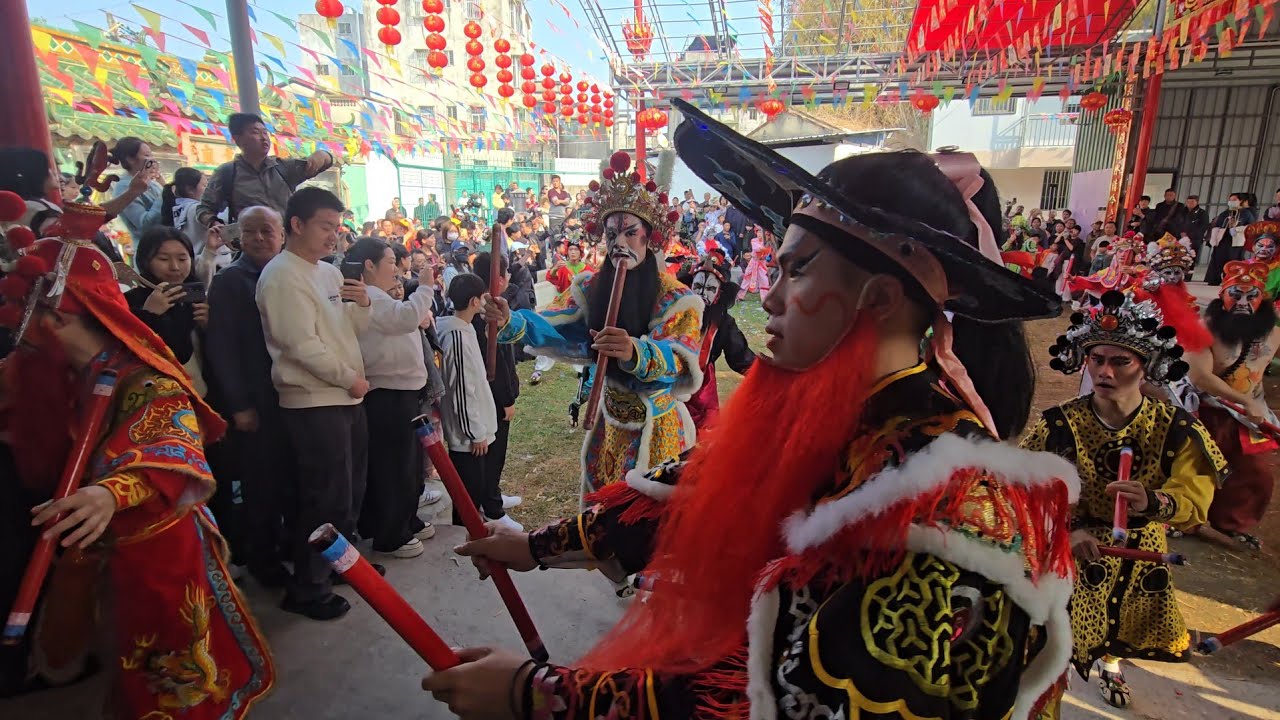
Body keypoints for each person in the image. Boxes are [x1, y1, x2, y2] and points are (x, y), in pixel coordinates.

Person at [425, 105, 1075, 720]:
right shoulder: (845, 414)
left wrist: (537, 694)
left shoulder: (945, 507)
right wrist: (535, 546)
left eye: (796, 271)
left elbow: (801, 702)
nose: (768, 298)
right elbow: (696, 493)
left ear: (876, 297)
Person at [0, 191, 273, 715]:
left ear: (65, 316)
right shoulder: (62, 376)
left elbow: (172, 448)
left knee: (167, 666)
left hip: (157, 543)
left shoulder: (145, 380)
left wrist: (107, 493)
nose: (31, 332)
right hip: (102, 549)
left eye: (41, 317)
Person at [1027, 291, 1225, 712]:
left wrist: (1156, 501)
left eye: (1121, 362)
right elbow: (1026, 487)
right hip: (1074, 546)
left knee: (1127, 617)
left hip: (1142, 547)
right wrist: (1068, 528)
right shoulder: (1059, 424)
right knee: (1054, 639)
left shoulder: (1175, 428)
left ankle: (1113, 662)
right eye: (1097, 359)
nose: (1104, 371)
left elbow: (1195, 493)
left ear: (1147, 365)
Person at [483, 152, 703, 500]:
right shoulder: (590, 287)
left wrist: (636, 351)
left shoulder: (678, 299)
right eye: (612, 233)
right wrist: (511, 319)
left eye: (631, 233)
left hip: (657, 427)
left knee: (647, 519)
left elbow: (679, 362)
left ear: (649, 238)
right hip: (607, 422)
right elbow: (555, 325)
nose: (620, 243)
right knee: (601, 512)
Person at [256, 187, 372, 621]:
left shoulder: (326, 272)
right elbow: (300, 345)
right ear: (297, 225)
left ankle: (339, 565)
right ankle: (307, 587)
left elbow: (349, 330)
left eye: (337, 228)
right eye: (326, 227)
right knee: (325, 498)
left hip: (345, 393)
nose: (333, 237)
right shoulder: (282, 276)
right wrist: (349, 379)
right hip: (313, 401)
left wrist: (361, 305)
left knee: (350, 490)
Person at [204, 206, 294, 588]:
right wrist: (238, 405)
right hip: (255, 401)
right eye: (251, 232)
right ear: (239, 237)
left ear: (282, 234)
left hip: (290, 396)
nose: (259, 238)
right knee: (260, 485)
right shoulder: (230, 282)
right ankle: (263, 560)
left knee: (293, 481)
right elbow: (221, 348)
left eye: (267, 231)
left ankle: (289, 547)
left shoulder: (290, 275)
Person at [346, 237, 438, 559]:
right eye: (390, 263)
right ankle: (390, 534)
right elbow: (406, 318)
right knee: (394, 466)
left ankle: (403, 519)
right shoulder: (369, 295)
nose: (397, 271)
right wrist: (425, 287)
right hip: (388, 393)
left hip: (402, 391)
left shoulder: (378, 297)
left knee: (407, 465)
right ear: (369, 266)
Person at [1186, 261, 1280, 550]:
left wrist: (1253, 405)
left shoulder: (1273, 332)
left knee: (1255, 473)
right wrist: (1243, 401)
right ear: (1222, 296)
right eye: (1235, 295)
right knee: (1196, 467)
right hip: (1210, 410)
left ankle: (1233, 523)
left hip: (1251, 415)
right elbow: (1200, 376)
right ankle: (1184, 519)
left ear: (1262, 298)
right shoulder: (1203, 329)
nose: (1242, 302)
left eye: (1251, 296)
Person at [437, 273, 505, 526]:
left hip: (474, 431)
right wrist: (474, 433)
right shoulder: (456, 336)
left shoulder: (463, 330)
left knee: (473, 492)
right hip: (467, 437)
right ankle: (465, 537)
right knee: (468, 496)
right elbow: (462, 389)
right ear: (476, 301)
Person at [196, 113, 334, 227]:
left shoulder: (283, 168)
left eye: (265, 133)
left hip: (287, 246)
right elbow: (203, 209)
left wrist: (323, 155)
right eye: (256, 133)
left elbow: (325, 162)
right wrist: (214, 223)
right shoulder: (227, 173)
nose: (264, 138)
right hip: (253, 247)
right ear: (238, 139)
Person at [472, 252, 524, 526]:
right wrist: (507, 399)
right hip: (493, 396)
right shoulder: (488, 312)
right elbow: (497, 362)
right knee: (494, 452)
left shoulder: (480, 304)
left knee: (493, 452)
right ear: (500, 279)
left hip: (490, 394)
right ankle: (493, 509)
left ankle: (493, 495)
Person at [677, 259, 755, 429]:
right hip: (671, 384)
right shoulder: (674, 314)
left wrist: (766, 373)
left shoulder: (724, 323)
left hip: (703, 389)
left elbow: (740, 356)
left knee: (702, 438)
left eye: (711, 289)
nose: (702, 293)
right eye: (697, 287)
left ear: (719, 294)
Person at [162, 167, 233, 279]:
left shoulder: (179, 208)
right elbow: (225, 223)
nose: (208, 190)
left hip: (194, 263)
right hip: (211, 265)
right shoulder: (197, 209)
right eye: (205, 186)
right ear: (190, 190)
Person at [107, 137, 165, 239]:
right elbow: (144, 224)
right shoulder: (124, 187)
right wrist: (165, 195)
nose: (152, 159)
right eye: (147, 155)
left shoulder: (154, 183)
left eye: (151, 155)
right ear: (130, 159)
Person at [1204, 192, 1257, 285]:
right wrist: (1215, 236)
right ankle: (1214, 279)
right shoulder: (1225, 213)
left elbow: (1250, 227)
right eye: (1230, 200)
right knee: (1218, 259)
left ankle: (1231, 279)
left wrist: (1237, 229)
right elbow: (1217, 225)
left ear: (1240, 201)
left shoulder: (1246, 213)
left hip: (1236, 241)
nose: (1232, 202)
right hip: (1223, 239)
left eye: (1234, 200)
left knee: (1234, 260)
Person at [738, 225, 771, 300]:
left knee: (764, 279)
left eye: (761, 232)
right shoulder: (754, 240)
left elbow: (769, 250)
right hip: (754, 261)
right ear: (756, 233)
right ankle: (740, 295)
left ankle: (764, 298)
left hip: (762, 262)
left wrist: (767, 247)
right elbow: (757, 249)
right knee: (747, 277)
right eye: (758, 232)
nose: (759, 234)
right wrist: (766, 248)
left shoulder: (767, 241)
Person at [1184, 195, 1211, 278]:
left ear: (1197, 202)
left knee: (1191, 257)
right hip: (1181, 238)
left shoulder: (1202, 213)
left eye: (1193, 202)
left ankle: (1188, 276)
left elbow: (1203, 226)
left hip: (1194, 239)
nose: (1190, 204)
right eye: (1188, 202)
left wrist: (1190, 235)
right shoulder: (1182, 211)